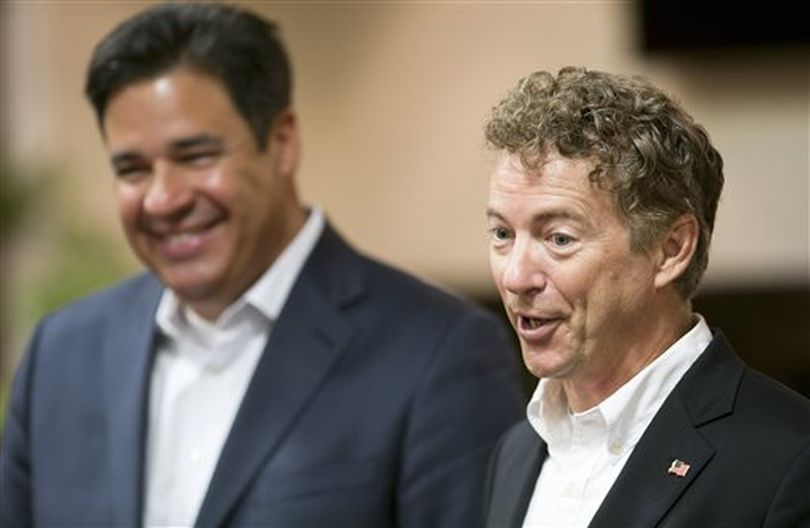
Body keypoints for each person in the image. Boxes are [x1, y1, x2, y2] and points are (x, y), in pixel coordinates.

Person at [0, 4, 525, 527]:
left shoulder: (441, 354)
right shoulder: (61, 354)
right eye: (132, 169)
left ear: (282, 142)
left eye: (195, 156)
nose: (162, 199)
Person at [482, 67, 810, 527]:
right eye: (502, 233)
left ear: (670, 249)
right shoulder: (515, 453)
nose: (516, 277)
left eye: (558, 238)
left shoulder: (790, 458)